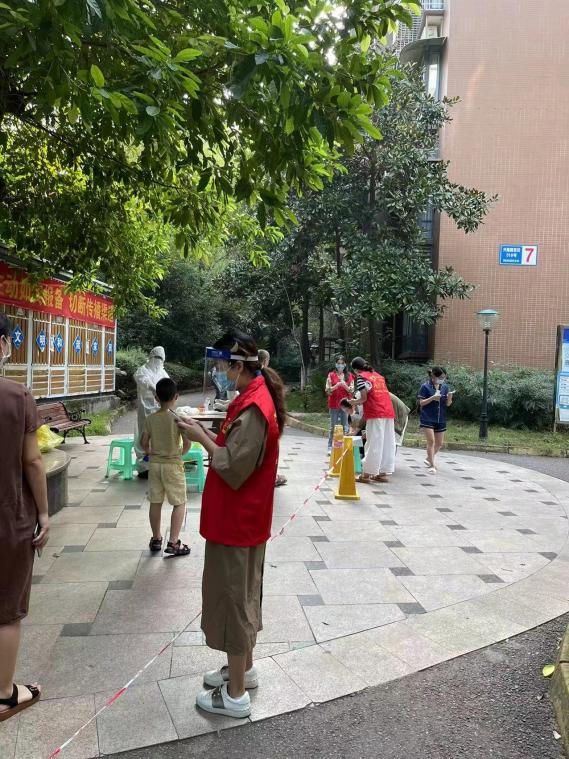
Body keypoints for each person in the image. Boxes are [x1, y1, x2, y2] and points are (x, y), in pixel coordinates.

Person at [175, 330, 285, 719]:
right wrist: (204, 432)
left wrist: (199, 437)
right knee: (242, 595)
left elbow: (233, 464)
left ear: (238, 366)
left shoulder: (254, 406)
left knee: (234, 599)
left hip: (237, 521)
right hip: (241, 519)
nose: (219, 373)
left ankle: (236, 694)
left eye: (222, 366)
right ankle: (243, 670)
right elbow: (234, 449)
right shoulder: (252, 397)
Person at [0, 314, 49, 722]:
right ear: (2, 344)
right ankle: (4, 694)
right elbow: (32, 461)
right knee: (8, 609)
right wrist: (45, 513)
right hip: (8, 519)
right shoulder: (17, 397)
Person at [140, 377, 191, 557]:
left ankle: (156, 539)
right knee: (179, 502)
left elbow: (143, 442)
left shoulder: (150, 419)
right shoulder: (177, 419)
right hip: (173, 465)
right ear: (176, 397)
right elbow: (187, 443)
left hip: (155, 465)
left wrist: (150, 452)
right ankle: (174, 542)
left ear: (156, 398)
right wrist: (180, 454)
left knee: (155, 501)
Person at [348, 357, 396, 484]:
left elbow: (363, 398)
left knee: (374, 442)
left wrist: (354, 402)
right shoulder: (378, 376)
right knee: (387, 443)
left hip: (375, 412)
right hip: (388, 411)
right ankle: (382, 473)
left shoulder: (361, 377)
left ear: (355, 369)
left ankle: (366, 474)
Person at [134, 347, 169, 478]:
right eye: (157, 358)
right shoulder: (142, 370)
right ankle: (144, 468)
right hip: (145, 411)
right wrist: (154, 388)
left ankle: (156, 466)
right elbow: (143, 380)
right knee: (144, 437)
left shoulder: (162, 372)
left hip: (159, 410)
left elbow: (169, 384)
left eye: (161, 359)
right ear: (151, 357)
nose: (158, 361)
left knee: (158, 437)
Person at [258, 348, 287, 487]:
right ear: (266, 361)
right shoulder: (268, 376)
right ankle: (271, 477)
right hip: (269, 418)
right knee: (270, 451)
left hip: (260, 418)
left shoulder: (251, 375)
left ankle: (269, 476)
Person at [418, 366, 453, 473]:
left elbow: (448, 404)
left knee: (439, 443)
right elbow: (421, 403)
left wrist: (450, 398)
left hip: (440, 418)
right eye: (441, 377)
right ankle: (432, 465)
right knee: (431, 441)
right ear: (434, 376)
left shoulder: (445, 387)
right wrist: (433, 398)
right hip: (427, 417)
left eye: (444, 377)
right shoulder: (425, 386)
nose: (443, 379)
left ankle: (429, 458)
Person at [325, 355, 354, 453]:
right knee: (333, 426)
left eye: (342, 363)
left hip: (346, 405)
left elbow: (351, 390)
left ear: (345, 364)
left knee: (345, 426)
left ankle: (342, 447)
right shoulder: (331, 375)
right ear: (335, 364)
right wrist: (336, 386)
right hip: (334, 404)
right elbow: (327, 390)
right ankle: (330, 447)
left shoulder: (349, 375)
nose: (340, 365)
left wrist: (345, 386)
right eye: (338, 363)